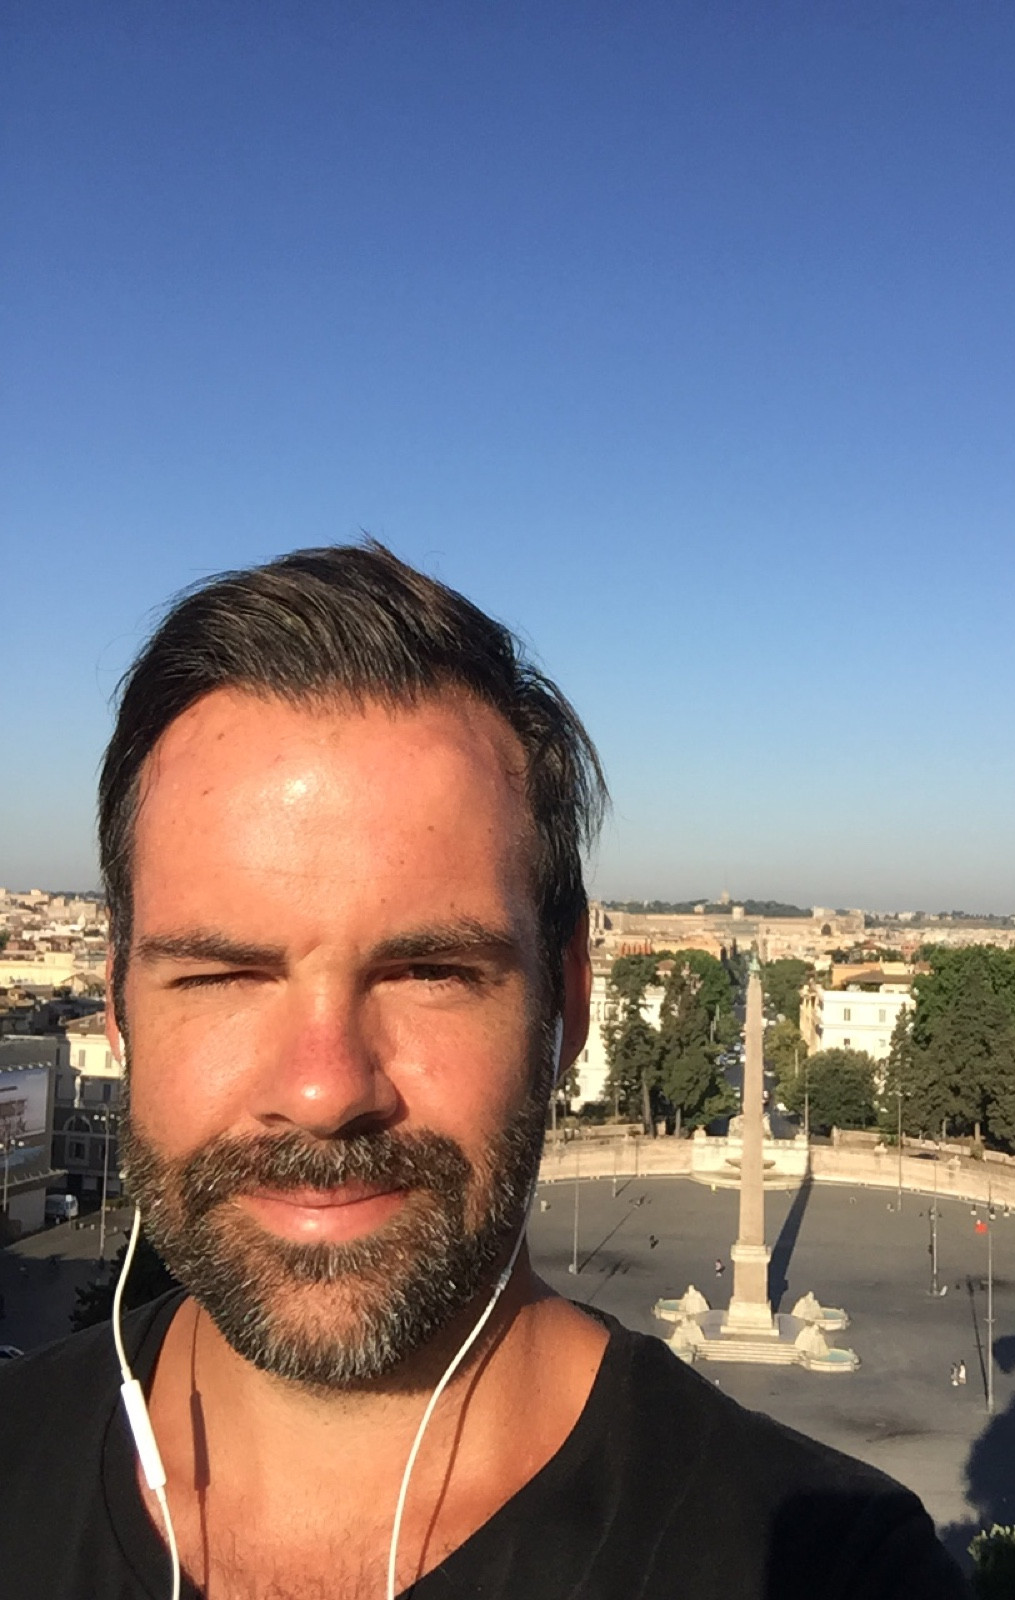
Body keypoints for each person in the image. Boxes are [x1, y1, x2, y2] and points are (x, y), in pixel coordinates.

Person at [0, 543, 966, 1598]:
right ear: (118, 1005)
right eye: (225, 975)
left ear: (569, 1000)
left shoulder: (830, 1571)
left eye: (429, 972)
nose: (325, 1090)